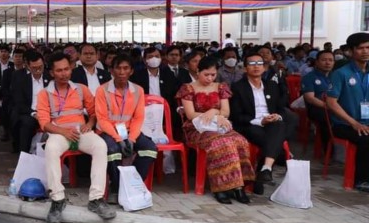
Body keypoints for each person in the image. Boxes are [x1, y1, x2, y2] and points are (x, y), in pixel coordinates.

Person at [37, 52, 116, 223]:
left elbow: (95, 111)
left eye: (66, 69)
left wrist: (90, 123)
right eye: (59, 70)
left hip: (81, 132)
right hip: (59, 133)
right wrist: (63, 132)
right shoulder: (44, 94)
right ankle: (57, 199)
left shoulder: (81, 89)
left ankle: (96, 199)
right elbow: (44, 123)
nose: (64, 73)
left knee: (100, 146)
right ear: (52, 73)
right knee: (50, 148)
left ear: (71, 69)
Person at [177, 57, 255, 204]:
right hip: (197, 128)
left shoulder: (221, 87)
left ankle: (239, 186)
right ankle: (221, 187)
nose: (210, 78)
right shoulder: (188, 88)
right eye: (206, 74)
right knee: (221, 143)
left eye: (213, 75)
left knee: (240, 140)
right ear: (198, 71)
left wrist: (214, 112)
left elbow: (226, 112)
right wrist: (213, 114)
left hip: (219, 125)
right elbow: (190, 114)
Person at [230, 53, 298, 193]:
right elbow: (236, 115)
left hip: (271, 123)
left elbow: (281, 107)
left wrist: (277, 115)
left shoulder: (272, 85)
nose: (256, 67)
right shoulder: (237, 87)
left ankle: (265, 169)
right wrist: (260, 121)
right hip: (250, 124)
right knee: (275, 137)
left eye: (259, 63)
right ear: (245, 68)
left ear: (264, 67)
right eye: (252, 63)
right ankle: (272, 163)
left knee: (281, 123)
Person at [96, 55, 158, 193]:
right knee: (113, 151)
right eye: (118, 68)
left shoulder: (138, 90)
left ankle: (132, 184)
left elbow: (138, 118)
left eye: (126, 68)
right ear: (111, 70)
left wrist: (131, 138)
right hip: (108, 131)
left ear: (131, 71)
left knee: (150, 149)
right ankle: (116, 188)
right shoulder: (102, 90)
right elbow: (102, 119)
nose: (122, 72)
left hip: (129, 131)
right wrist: (118, 139)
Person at [326, 32, 369, 191]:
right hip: (344, 125)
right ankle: (361, 180)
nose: (365, 51)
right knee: (366, 139)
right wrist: (354, 123)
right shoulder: (341, 73)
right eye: (361, 48)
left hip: (366, 123)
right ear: (351, 51)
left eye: (368, 48)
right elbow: (331, 103)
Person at [10, 50, 50, 153]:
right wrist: (34, 113)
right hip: (30, 113)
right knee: (26, 124)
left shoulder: (50, 78)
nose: (38, 70)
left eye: (40, 67)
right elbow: (19, 102)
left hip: (49, 112)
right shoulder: (22, 80)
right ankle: (24, 153)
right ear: (28, 67)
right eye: (34, 68)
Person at [301, 50, 334, 152]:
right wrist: (329, 106)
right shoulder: (309, 77)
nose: (327, 63)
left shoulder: (336, 76)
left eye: (330, 60)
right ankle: (329, 150)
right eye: (324, 60)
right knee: (328, 118)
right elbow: (310, 98)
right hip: (317, 108)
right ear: (317, 62)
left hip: (334, 106)